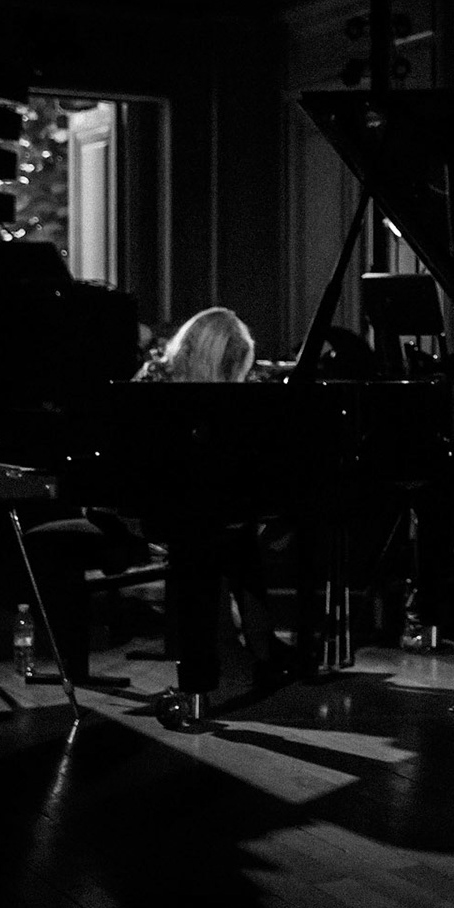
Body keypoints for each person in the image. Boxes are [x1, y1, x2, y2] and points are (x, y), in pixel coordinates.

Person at [136, 307, 292, 721]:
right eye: (234, 367)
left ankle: (249, 651)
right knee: (218, 537)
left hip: (188, 504)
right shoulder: (155, 387)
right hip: (146, 508)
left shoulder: (196, 390)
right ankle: (220, 666)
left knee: (232, 531)